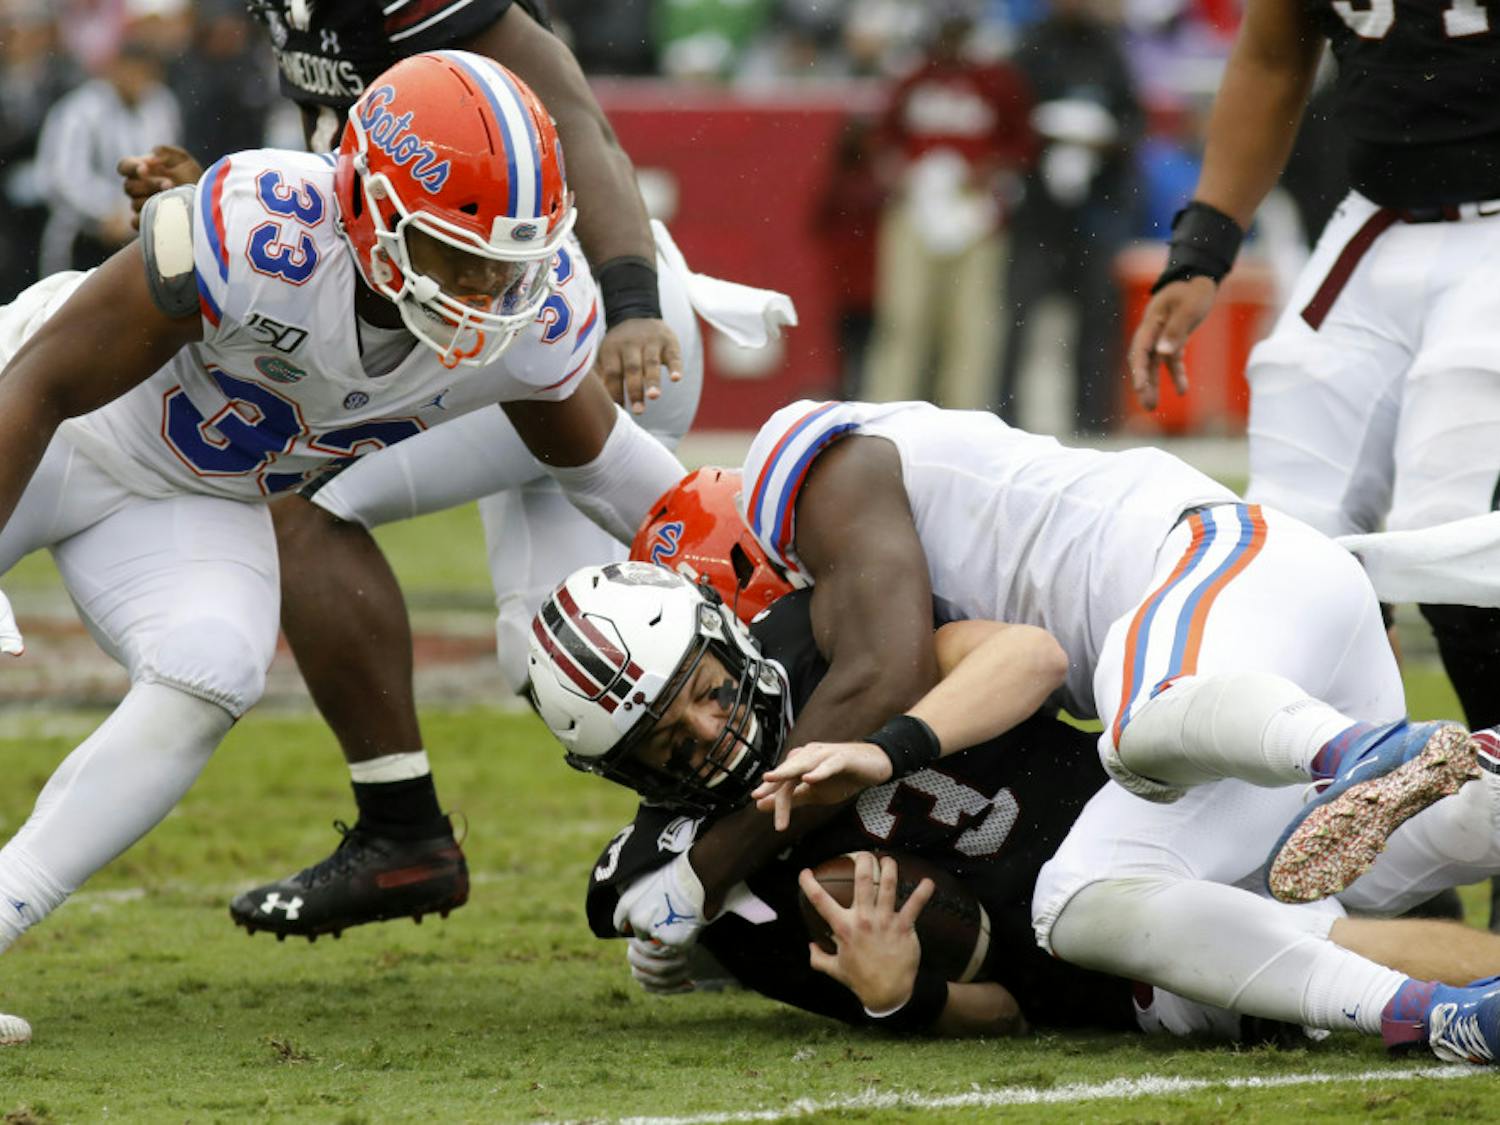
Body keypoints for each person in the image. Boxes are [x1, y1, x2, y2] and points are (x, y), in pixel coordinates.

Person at [0, 52, 686, 1045]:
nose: (489, 291)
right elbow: (42, 385)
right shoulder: (263, 230)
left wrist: (760, 554)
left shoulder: (520, 323)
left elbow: (617, 474)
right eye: (460, 256)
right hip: (53, 426)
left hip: (192, 490)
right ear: (368, 211)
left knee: (213, 665)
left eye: (510, 262)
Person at [607, 400, 1500, 1061]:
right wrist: (720, 937)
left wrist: (700, 866)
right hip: (1260, 618)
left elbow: (897, 673)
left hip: (1205, 573)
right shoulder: (897, 589)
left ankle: (1353, 757)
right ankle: (1450, 963)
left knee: (1093, 856)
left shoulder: (812, 479)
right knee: (1363, 866)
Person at [117, 0, 700, 938]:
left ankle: (405, 833)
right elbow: (357, 179)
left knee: (302, 494)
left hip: (559, 314)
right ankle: (732, 845)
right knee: (554, 647)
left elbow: (573, 116)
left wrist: (631, 297)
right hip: (479, 302)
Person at [529, 556, 1500, 1046]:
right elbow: (1007, 1013)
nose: (709, 733)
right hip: (1117, 971)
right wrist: (900, 997)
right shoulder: (728, 901)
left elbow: (1029, 658)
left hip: (1160, 807)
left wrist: (879, 748)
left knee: (1432, 818)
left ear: (722, 637)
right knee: (1324, 937)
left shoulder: (822, 644)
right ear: (623, 774)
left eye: (702, 692)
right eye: (665, 744)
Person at [1124, 0, 1500, 922]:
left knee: (1448, 533)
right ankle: (1375, 871)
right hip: (1377, 219)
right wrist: (1204, 245)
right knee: (1292, 545)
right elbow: (1272, 53)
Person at [860, 6, 1033, 410]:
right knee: (905, 319)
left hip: (975, 211)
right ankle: (889, 412)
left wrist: (990, 171)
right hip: (915, 209)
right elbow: (882, 140)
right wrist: (898, 172)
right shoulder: (914, 78)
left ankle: (964, 416)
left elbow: (1022, 143)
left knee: (972, 325)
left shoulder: (997, 81)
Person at [36, 33, 182, 275]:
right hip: (84, 234)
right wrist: (107, 210)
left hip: (140, 232)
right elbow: (63, 177)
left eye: (145, 74)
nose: (137, 80)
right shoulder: (80, 109)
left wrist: (135, 212)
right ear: (115, 69)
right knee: (72, 301)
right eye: (131, 71)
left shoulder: (161, 105)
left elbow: (165, 165)